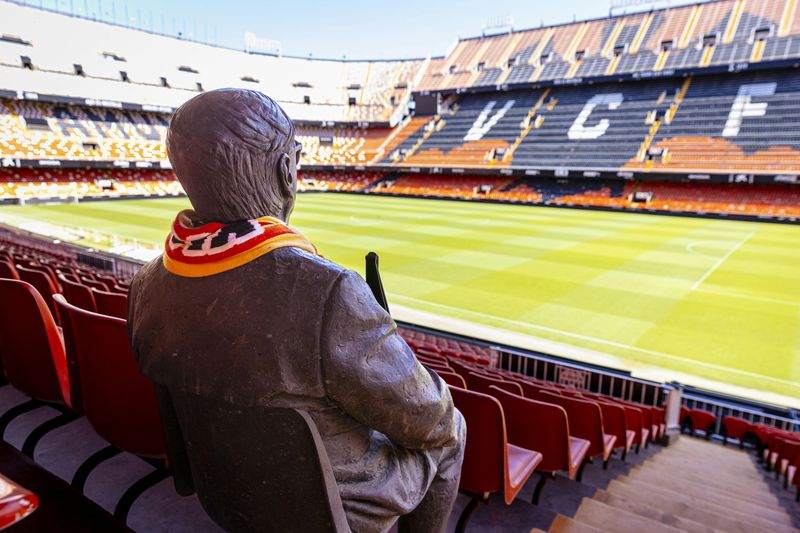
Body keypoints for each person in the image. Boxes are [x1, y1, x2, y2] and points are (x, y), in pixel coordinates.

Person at [127, 88, 465, 533]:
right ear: (285, 170)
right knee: (454, 430)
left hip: (224, 495)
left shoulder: (144, 285)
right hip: (329, 511)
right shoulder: (329, 292)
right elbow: (431, 422)